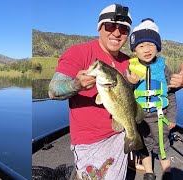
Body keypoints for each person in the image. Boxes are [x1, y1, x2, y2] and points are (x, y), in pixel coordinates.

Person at [48, 4, 133, 180]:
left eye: (123, 29)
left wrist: (176, 85)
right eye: (110, 26)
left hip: (120, 135)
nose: (117, 33)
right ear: (100, 28)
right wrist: (75, 85)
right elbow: (53, 90)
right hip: (90, 141)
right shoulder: (79, 52)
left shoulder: (129, 62)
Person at [127, 18, 176, 180]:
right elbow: (124, 93)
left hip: (160, 116)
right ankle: (149, 172)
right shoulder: (131, 68)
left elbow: (171, 93)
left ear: (158, 48)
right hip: (139, 117)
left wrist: (172, 117)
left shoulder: (163, 67)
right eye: (141, 46)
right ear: (134, 50)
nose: (146, 49)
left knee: (163, 144)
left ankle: (167, 171)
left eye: (151, 45)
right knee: (143, 146)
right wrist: (130, 82)